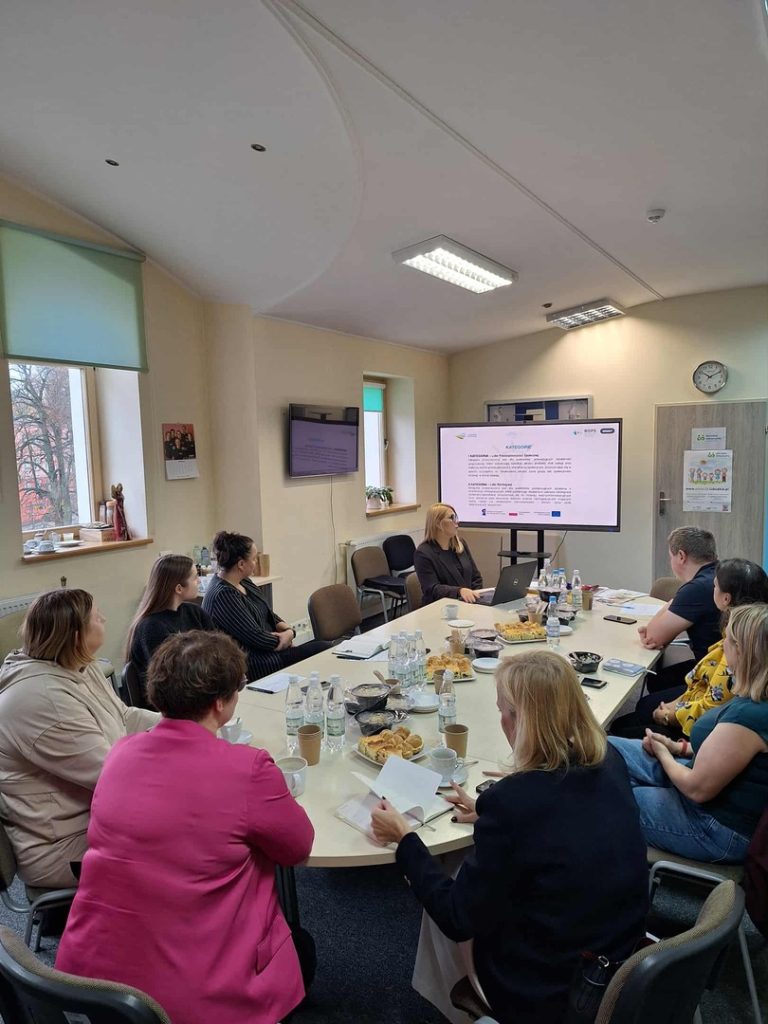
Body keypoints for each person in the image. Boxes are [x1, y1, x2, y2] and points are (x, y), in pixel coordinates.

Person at [370, 651, 648, 1024]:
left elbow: (457, 917)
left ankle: (463, 1010)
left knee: (444, 888)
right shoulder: (608, 759)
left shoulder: (514, 802)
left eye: (504, 710)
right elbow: (561, 823)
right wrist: (487, 813)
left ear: (524, 720)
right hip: (618, 956)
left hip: (555, 991)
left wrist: (404, 839)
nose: (500, 720)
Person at [56, 631, 314, 1024]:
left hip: (99, 984)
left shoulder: (121, 753)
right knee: (301, 948)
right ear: (220, 704)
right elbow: (297, 848)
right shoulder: (247, 768)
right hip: (197, 996)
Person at [0, 590, 158, 888]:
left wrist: (187, 725)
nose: (105, 619)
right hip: (64, 847)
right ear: (75, 636)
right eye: (97, 617)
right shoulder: (44, 700)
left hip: (97, 818)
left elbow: (124, 717)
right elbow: (113, 777)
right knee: (188, 837)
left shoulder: (78, 666)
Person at [610, 602, 768, 863]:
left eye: (727, 639)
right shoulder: (752, 698)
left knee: (606, 795)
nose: (722, 643)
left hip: (714, 826)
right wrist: (677, 748)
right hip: (700, 781)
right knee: (607, 749)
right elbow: (728, 753)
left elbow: (697, 789)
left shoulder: (750, 714)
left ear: (743, 650)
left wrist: (663, 755)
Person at [610, 558, 768, 739]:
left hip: (703, 730)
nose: (712, 590)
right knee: (646, 705)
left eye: (715, 587)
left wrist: (671, 714)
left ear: (726, 599)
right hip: (700, 695)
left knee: (623, 725)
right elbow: (705, 683)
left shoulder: (737, 646)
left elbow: (712, 705)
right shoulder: (749, 627)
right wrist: (679, 702)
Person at [202, 530, 331, 680]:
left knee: (325, 649)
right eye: (254, 559)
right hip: (255, 662)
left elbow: (267, 613)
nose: (256, 563)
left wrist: (289, 631)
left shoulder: (243, 581)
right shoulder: (223, 595)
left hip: (271, 651)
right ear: (241, 564)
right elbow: (256, 637)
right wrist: (286, 637)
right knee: (324, 649)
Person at [126, 553, 216, 700]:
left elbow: (218, 648)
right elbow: (172, 678)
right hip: (174, 700)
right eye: (194, 577)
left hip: (200, 688)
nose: (199, 581)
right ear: (179, 588)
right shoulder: (151, 627)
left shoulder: (194, 612)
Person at [641, 526, 720, 691]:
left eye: (671, 557)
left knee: (645, 705)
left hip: (714, 677)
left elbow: (652, 637)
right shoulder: (719, 574)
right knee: (658, 680)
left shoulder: (698, 588)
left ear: (681, 556)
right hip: (732, 667)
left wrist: (674, 601)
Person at [414, 503, 484, 606]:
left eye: (456, 517)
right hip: (440, 609)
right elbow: (432, 589)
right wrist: (459, 591)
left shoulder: (460, 544)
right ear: (438, 523)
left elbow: (476, 577)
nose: (457, 522)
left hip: (467, 605)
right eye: (452, 518)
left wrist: (476, 599)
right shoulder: (423, 553)